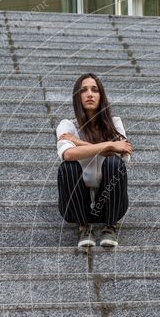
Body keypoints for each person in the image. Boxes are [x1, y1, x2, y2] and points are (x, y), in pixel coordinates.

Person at [56, 73, 133, 248]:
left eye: (95, 90)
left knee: (115, 164)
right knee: (67, 167)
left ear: (101, 96)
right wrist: (109, 145)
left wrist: (79, 144)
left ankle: (110, 227)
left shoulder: (115, 124)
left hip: (109, 204)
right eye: (84, 90)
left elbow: (124, 154)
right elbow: (67, 154)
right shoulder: (66, 126)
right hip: (75, 206)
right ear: (77, 97)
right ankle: (83, 228)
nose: (90, 94)